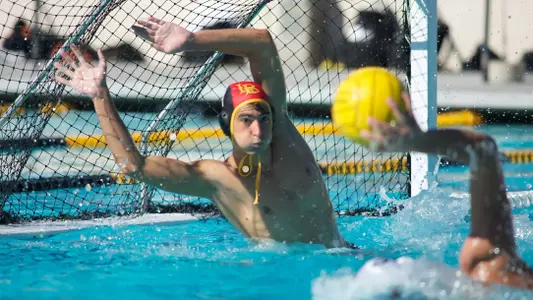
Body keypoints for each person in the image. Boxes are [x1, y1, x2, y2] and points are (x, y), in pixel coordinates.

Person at [53, 17, 350, 249]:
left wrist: (192, 41)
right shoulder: (215, 180)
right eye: (246, 119)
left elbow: (261, 41)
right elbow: (134, 165)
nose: (259, 129)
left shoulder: (285, 139)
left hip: (343, 256)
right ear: (226, 125)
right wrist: (99, 95)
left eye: (265, 118)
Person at [360, 93, 533, 289]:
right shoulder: (490, 271)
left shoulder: (487, 269)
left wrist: (418, 142)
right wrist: (419, 142)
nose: (404, 260)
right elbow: (483, 151)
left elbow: (482, 151)